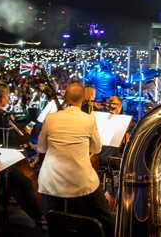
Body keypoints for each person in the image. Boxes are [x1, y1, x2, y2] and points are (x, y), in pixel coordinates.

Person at [37, 80, 114, 235]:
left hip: (51, 183)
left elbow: (41, 148)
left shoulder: (51, 118)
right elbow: (97, 148)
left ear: (65, 97)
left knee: (55, 222)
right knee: (106, 216)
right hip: (81, 183)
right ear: (84, 98)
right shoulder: (89, 119)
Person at [0, 82, 43, 227]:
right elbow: (12, 145)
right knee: (24, 182)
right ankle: (38, 216)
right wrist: (26, 138)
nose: (9, 100)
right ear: (1, 98)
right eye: (7, 96)